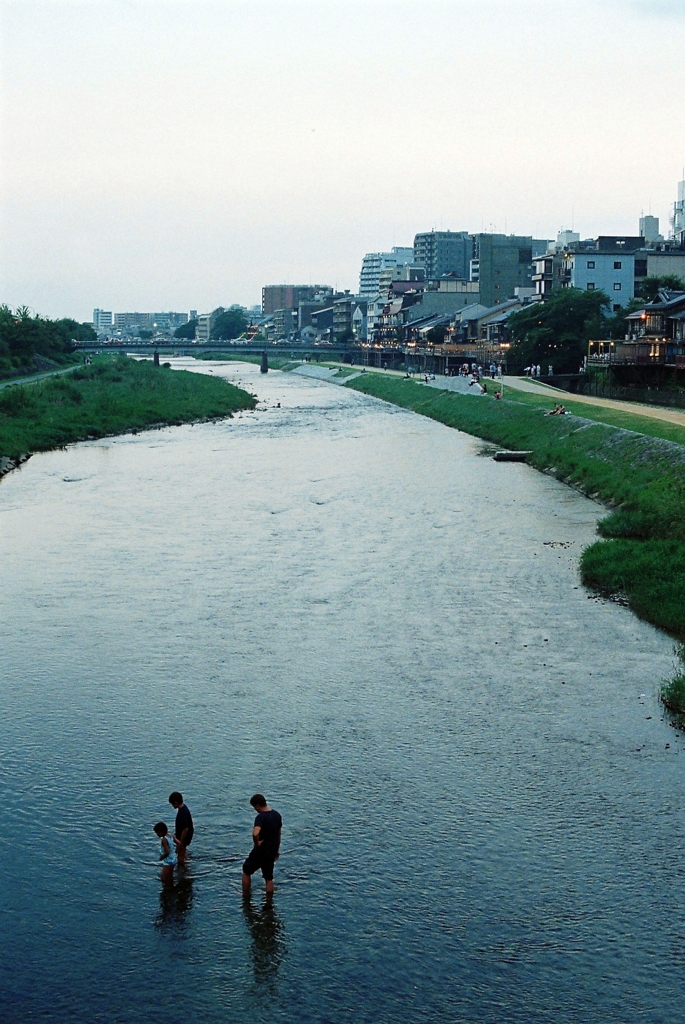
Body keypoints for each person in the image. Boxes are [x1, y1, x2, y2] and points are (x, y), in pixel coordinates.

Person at [242, 794, 282, 896]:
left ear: (258, 805)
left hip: (261, 850)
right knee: (269, 877)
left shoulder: (260, 817)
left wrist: (257, 842)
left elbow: (255, 833)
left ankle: (246, 896)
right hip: (272, 850)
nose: (255, 809)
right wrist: (276, 850)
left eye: (254, 807)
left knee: (246, 870)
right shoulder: (277, 815)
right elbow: (279, 834)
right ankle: (269, 902)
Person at [169, 791, 194, 865]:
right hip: (186, 836)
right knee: (183, 852)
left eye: (172, 803)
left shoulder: (182, 813)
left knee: (180, 857)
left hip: (184, 838)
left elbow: (185, 829)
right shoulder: (184, 808)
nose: (172, 805)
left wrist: (180, 843)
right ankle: (186, 861)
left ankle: (182, 869)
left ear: (176, 802)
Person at [154, 821, 177, 886]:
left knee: (163, 878)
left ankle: (167, 889)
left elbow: (167, 852)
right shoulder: (170, 836)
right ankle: (171, 886)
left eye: (157, 833)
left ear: (160, 831)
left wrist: (162, 857)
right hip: (173, 859)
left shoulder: (164, 840)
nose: (157, 834)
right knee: (170, 876)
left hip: (168, 861)